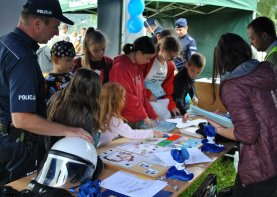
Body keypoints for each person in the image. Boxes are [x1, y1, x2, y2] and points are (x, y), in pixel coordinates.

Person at [0, 0, 92, 185]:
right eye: (55, 26)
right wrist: (69, 130)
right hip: (15, 147)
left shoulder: (4, 42)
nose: (57, 32)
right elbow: (22, 119)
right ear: (37, 23)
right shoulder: (22, 57)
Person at [210, 33, 277, 197]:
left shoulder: (233, 85)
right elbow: (272, 109)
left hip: (262, 165)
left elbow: (248, 134)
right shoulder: (268, 68)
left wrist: (219, 128)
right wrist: (230, 116)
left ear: (222, 58)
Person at [110, 36, 158, 128]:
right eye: (148, 58)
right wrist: (144, 116)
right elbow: (127, 97)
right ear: (139, 53)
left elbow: (143, 95)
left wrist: (153, 115)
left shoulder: (137, 66)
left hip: (136, 118)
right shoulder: (120, 68)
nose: (148, 62)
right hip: (123, 120)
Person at [47, 68, 102, 146]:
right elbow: (89, 142)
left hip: (51, 148)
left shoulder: (56, 96)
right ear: (95, 90)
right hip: (74, 152)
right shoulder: (86, 114)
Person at [98, 83, 163, 147]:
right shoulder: (113, 119)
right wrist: (152, 133)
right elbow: (131, 134)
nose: (124, 99)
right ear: (116, 101)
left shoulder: (102, 113)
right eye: (123, 97)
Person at [141, 36, 181, 118]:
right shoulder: (147, 60)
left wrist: (172, 106)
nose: (171, 59)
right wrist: (148, 94)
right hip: (141, 99)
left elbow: (167, 90)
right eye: (170, 56)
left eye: (173, 57)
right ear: (162, 49)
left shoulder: (170, 66)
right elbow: (137, 82)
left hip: (156, 100)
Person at [173, 53, 206, 122]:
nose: (195, 75)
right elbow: (178, 99)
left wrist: (193, 96)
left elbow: (191, 86)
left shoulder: (190, 75)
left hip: (181, 105)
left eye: (198, 72)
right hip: (172, 105)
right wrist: (184, 112)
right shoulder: (181, 79)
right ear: (187, 65)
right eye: (192, 71)